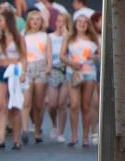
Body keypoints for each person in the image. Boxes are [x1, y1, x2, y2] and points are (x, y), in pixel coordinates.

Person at [61, 14, 100, 148]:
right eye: (79, 21)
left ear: (88, 24)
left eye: (85, 22)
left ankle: (85, 137)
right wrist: (72, 63)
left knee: (86, 106)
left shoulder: (93, 38)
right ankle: (73, 136)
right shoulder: (70, 38)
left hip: (89, 73)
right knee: (74, 105)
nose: (82, 24)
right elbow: (62, 55)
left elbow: (100, 54)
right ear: (75, 23)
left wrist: (93, 56)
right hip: (74, 72)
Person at [0, 9, 28, 149]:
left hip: (14, 70)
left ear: (7, 22)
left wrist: (23, 72)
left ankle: (16, 140)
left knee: (15, 106)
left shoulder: (19, 37)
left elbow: (24, 56)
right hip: (1, 69)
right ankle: (1, 139)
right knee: (0, 105)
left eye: (0, 20)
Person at [22, 10, 52, 143]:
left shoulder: (45, 36)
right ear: (28, 21)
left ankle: (37, 129)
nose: (35, 21)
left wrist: (48, 66)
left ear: (41, 22)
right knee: (26, 101)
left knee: (38, 103)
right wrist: (21, 70)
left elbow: (49, 55)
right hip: (27, 67)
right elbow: (21, 54)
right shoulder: (23, 35)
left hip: (41, 67)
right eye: (32, 19)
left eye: (38, 19)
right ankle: (24, 130)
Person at [47, 13, 71, 143]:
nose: (60, 24)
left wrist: (67, 36)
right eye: (58, 21)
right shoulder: (50, 37)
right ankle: (54, 125)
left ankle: (61, 132)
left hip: (67, 70)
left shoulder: (69, 37)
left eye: (63, 21)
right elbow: (48, 53)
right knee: (52, 104)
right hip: (55, 69)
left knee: (62, 103)